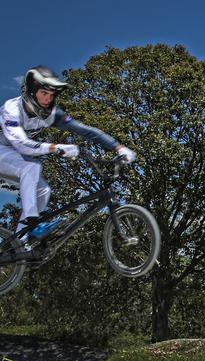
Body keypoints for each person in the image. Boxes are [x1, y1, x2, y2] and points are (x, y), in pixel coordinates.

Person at [0, 66, 136, 242]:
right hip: (5, 151)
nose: (48, 99)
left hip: (13, 156)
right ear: (32, 91)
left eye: (51, 95)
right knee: (31, 167)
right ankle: (33, 224)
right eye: (44, 93)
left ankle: (20, 244)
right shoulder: (11, 110)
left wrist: (117, 147)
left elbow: (86, 131)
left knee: (43, 190)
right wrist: (56, 147)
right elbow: (23, 145)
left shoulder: (52, 114)